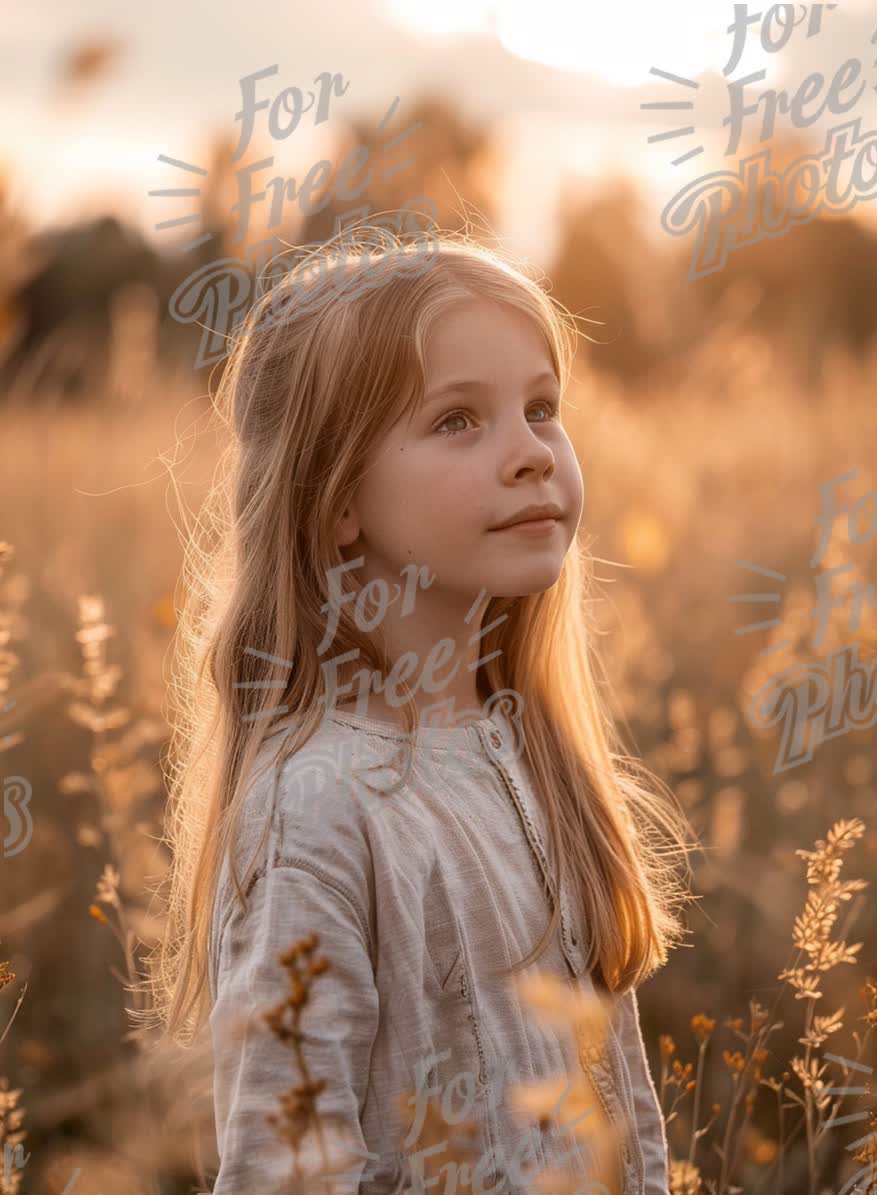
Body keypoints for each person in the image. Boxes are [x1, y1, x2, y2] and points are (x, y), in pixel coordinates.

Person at [143, 227, 697, 1194]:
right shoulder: (314, 806)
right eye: (457, 421)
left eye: (540, 409)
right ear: (337, 498)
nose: (530, 454)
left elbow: (621, 1125)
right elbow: (289, 1168)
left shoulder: (531, 753)